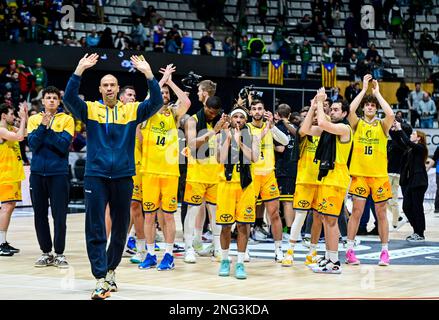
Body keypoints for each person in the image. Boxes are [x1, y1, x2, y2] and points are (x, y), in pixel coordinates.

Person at [63, 53, 163, 300]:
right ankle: (99, 276)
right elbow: (68, 99)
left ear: (118, 90)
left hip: (123, 176)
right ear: (100, 89)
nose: (109, 88)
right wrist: (78, 69)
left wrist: (149, 74)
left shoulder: (131, 110)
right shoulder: (90, 109)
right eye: (105, 85)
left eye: (112, 85)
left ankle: (110, 271)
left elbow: (157, 102)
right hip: (95, 175)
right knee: (95, 226)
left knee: (119, 228)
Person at [138, 64, 191, 271]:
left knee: (168, 215)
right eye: (160, 93)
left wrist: (169, 81)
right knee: (149, 215)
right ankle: (150, 254)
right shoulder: (147, 113)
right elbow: (147, 99)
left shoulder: (174, 114)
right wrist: (159, 84)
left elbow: (186, 101)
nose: (164, 95)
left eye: (166, 93)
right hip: (149, 171)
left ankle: (168, 254)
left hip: (169, 172)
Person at [346, 74, 395, 266]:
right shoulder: (357, 123)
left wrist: (377, 94)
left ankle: (384, 252)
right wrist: (363, 89)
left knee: (382, 213)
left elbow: (390, 115)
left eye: (373, 106)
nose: (370, 107)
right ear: (363, 107)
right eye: (368, 105)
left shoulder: (382, 125)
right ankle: (350, 250)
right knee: (356, 212)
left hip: (379, 176)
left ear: (376, 109)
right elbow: (349, 110)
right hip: (360, 175)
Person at [303, 88, 353, 274]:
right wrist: (312, 106)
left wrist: (320, 102)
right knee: (326, 219)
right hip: (326, 178)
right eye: (331, 109)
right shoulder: (328, 131)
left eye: (336, 109)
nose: (332, 112)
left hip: (336, 180)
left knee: (331, 221)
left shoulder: (344, 128)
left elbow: (322, 122)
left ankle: (334, 262)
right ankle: (329, 257)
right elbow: (305, 129)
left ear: (345, 113)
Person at [27, 86, 74, 268]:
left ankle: (60, 253)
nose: (52, 100)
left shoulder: (67, 120)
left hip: (59, 174)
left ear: (59, 101)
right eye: (48, 97)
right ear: (43, 100)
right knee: (40, 215)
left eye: (55, 97)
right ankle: (46, 252)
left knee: (59, 216)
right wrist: (42, 126)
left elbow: (63, 145)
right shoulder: (33, 120)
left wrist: (47, 129)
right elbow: (33, 144)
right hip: (38, 174)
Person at [216, 107, 260, 279]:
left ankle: (240, 262)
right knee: (225, 226)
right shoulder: (222, 135)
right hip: (226, 184)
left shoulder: (253, 137)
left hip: (245, 186)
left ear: (246, 120)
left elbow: (254, 157)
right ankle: (225, 260)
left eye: (242, 117)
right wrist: (228, 138)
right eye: (236, 117)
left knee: (243, 225)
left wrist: (240, 142)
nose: (239, 119)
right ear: (231, 120)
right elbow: (220, 158)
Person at [282, 97, 323, 267]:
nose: (314, 119)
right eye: (310, 116)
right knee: (301, 216)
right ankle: (290, 251)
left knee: (318, 218)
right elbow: (302, 129)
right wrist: (314, 107)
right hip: (305, 179)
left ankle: (312, 252)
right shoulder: (304, 133)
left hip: (322, 181)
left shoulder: (326, 132)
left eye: (316, 116)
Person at [183, 95, 223, 263]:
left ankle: (218, 247)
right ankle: (188, 248)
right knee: (192, 212)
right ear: (204, 106)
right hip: (197, 173)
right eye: (208, 110)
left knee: (216, 214)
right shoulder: (192, 120)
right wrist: (214, 131)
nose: (210, 114)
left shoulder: (221, 120)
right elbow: (192, 144)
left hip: (216, 173)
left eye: (213, 113)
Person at [247, 100, 289, 262]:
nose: (257, 111)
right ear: (250, 112)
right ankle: (246, 249)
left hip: (268, 175)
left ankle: (278, 249)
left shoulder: (270, 127)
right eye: (254, 109)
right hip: (252, 175)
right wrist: (265, 130)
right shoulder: (247, 128)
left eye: (260, 109)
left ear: (264, 111)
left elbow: (285, 141)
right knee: (247, 216)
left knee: (274, 214)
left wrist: (272, 126)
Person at [390, 122, 428, 242]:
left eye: (413, 134)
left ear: (419, 138)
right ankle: (416, 230)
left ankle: (420, 233)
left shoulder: (421, 148)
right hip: (410, 182)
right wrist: (394, 130)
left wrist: (401, 129)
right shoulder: (410, 149)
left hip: (419, 182)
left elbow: (407, 141)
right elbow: (400, 142)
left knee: (417, 207)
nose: (411, 135)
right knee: (406, 207)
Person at [0, 103, 27, 256]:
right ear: (3, 115)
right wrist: (22, 119)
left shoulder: (10, 129)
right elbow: (20, 137)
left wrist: (26, 115)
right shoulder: (1, 130)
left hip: (13, 175)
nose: (13, 116)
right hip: (4, 175)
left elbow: (26, 133)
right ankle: (0, 243)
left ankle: (3, 241)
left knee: (10, 207)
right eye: (11, 114)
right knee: (6, 206)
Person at [273, 104, 297, 239]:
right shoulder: (296, 128)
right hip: (295, 167)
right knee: (291, 201)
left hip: (283, 168)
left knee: (285, 202)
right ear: (290, 114)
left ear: (277, 114)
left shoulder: (278, 128)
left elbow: (281, 149)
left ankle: (289, 231)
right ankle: (292, 230)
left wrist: (270, 146)